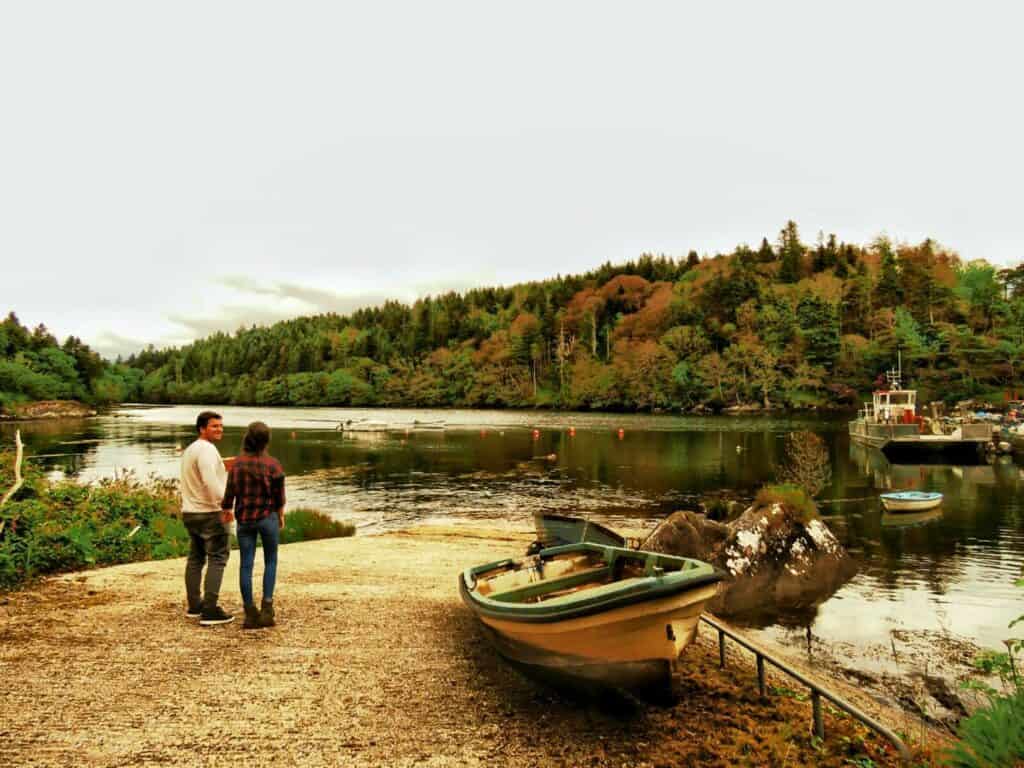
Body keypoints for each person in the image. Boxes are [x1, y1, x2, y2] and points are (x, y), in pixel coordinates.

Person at [221, 421, 286, 630]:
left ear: (247, 438)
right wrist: (281, 514)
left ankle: (250, 613)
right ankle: (267, 608)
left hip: (245, 519)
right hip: (268, 517)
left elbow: (229, 492)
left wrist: (226, 509)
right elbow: (279, 496)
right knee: (271, 561)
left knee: (246, 565)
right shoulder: (273, 464)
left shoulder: (237, 464)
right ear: (266, 440)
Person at [180, 410, 234, 626]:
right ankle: (210, 610)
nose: (219, 429)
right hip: (210, 512)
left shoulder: (191, 450)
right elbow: (210, 482)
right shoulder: (207, 451)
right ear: (202, 428)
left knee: (195, 558)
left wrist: (226, 465)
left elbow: (205, 473)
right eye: (214, 426)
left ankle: (195, 605)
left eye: (220, 426)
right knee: (218, 558)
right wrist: (226, 505)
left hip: (190, 512)